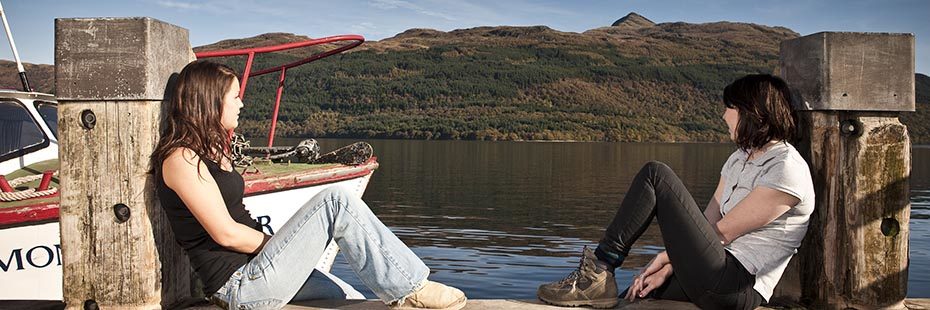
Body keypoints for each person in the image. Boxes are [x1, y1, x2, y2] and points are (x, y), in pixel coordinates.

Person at [150, 60, 467, 310]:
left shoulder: (211, 150)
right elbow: (225, 233)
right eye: (234, 96)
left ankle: (402, 292)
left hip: (259, 270)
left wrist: (287, 253)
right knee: (335, 201)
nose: (241, 104)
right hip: (240, 286)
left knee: (346, 295)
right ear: (210, 101)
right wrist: (284, 248)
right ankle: (411, 289)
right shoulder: (181, 159)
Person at [536, 74, 814, 310]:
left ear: (752, 112)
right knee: (636, 293)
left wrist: (668, 257)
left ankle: (601, 267)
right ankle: (598, 283)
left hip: (736, 284)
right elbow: (706, 225)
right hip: (709, 272)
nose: (723, 115)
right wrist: (670, 267)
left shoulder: (786, 167)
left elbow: (724, 232)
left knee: (656, 175)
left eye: (730, 107)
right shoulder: (738, 159)